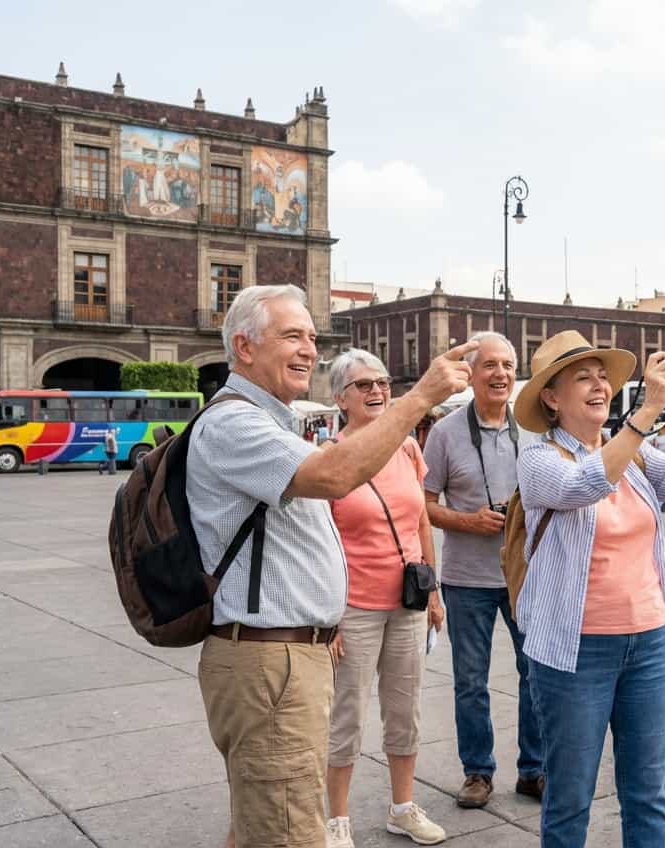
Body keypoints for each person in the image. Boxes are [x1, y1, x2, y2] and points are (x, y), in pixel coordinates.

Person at [186, 284, 474, 848]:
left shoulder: (274, 422)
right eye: (292, 335)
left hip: (287, 655)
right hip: (271, 660)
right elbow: (335, 475)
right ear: (243, 347)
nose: (308, 349)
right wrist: (418, 399)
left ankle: (401, 804)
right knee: (289, 829)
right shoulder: (234, 423)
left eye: (312, 337)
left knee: (261, 822)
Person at [514, 331, 665, 848]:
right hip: (576, 651)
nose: (599, 385)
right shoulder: (539, 460)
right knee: (569, 799)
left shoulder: (636, 460)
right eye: (582, 377)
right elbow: (584, 485)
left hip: (649, 644)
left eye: (603, 376)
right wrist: (642, 417)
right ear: (551, 396)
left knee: (648, 792)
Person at [323, 348, 447, 848]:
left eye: (382, 383)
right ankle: (336, 819)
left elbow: (420, 520)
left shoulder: (406, 449)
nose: (377, 391)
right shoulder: (329, 458)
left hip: (408, 602)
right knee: (346, 713)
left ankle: (402, 807)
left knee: (405, 708)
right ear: (340, 399)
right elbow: (320, 543)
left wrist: (433, 590)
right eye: (364, 385)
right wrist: (326, 616)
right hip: (353, 606)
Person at [422, 331, 545, 809]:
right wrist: (467, 521)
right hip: (465, 578)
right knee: (470, 681)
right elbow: (423, 504)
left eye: (508, 365)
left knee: (534, 673)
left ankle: (533, 770)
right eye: (490, 365)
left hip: (523, 576)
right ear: (470, 375)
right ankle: (477, 772)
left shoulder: (533, 429)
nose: (501, 373)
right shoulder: (447, 432)